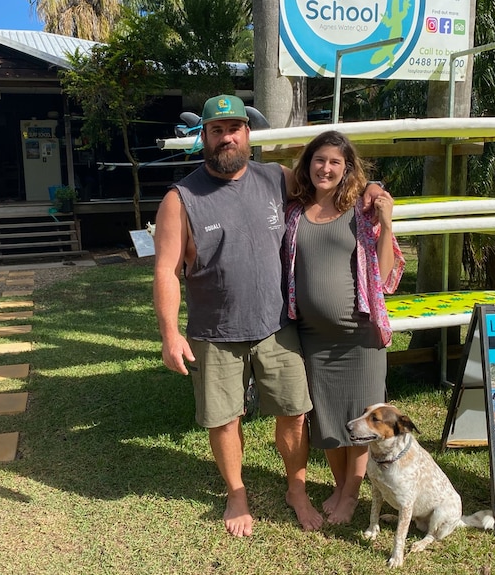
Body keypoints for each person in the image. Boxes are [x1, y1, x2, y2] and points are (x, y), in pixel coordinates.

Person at [152, 94, 325, 537]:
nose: (226, 137)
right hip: (214, 332)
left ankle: (297, 489)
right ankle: (236, 492)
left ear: (248, 134)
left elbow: (329, 191)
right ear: (203, 136)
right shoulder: (181, 198)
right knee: (224, 419)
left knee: (294, 412)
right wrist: (171, 335)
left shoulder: (276, 178)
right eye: (216, 130)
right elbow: (167, 271)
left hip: (276, 326)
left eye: (234, 128)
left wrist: (371, 197)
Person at [283, 130, 405, 524]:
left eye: (336, 162)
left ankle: (351, 496)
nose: (326, 168)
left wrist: (386, 224)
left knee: (360, 418)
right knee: (330, 417)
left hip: (359, 336)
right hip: (314, 338)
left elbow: (385, 276)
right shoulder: (293, 211)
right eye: (319, 160)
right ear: (309, 164)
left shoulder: (360, 211)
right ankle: (339, 486)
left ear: (346, 168)